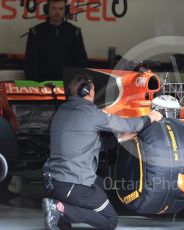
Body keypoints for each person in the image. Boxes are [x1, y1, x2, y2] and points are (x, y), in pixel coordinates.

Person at [42, 74, 163, 230]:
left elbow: (85, 144)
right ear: (88, 92)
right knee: (110, 220)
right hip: (73, 185)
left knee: (98, 184)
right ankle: (60, 209)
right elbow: (129, 125)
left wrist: (120, 140)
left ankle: (59, 211)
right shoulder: (92, 114)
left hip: (52, 184)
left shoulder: (60, 112)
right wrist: (151, 117)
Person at [25, 0, 88, 82]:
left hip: (68, 85)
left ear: (66, 10)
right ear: (47, 9)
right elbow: (30, 64)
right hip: (42, 85)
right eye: (54, 8)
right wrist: (35, 87)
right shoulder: (36, 32)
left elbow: (81, 62)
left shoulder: (74, 32)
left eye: (61, 9)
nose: (57, 12)